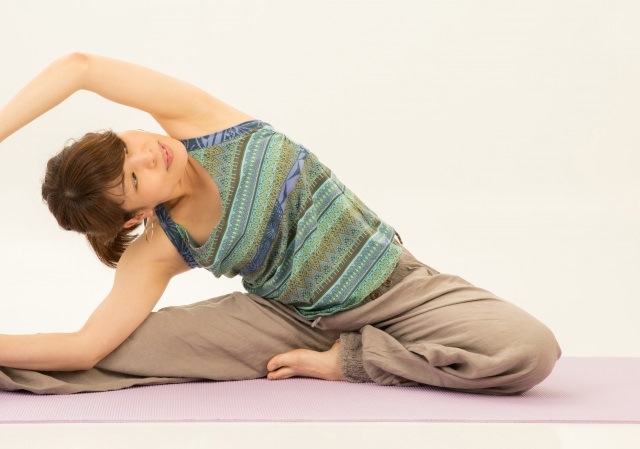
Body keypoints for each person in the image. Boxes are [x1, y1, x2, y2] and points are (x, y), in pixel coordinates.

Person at [0, 53, 560, 394]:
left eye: (128, 147)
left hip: (399, 288)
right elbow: (85, 346)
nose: (150, 155)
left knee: (529, 351)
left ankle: (353, 360)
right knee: (114, 358)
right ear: (140, 213)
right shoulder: (160, 245)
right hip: (287, 320)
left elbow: (80, 68)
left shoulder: (199, 121)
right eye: (134, 178)